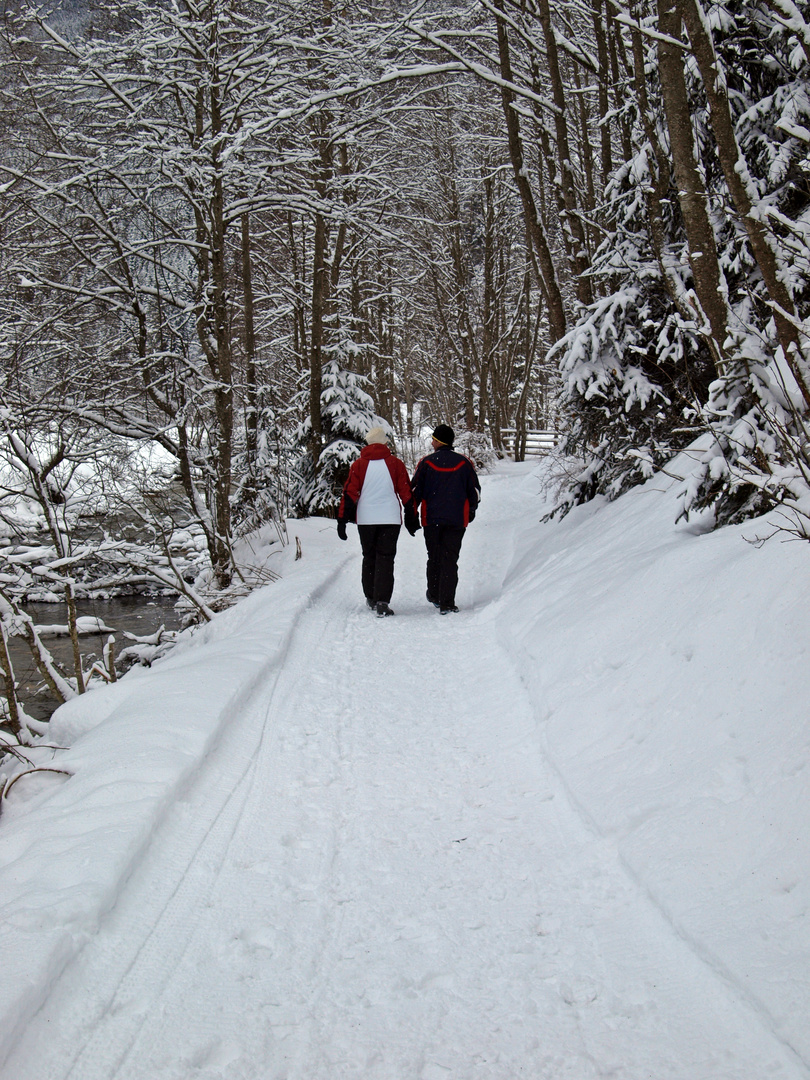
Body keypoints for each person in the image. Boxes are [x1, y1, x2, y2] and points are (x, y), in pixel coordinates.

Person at [337, 427, 419, 617]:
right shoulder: (395, 464)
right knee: (386, 558)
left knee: (369, 557)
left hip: (366, 519)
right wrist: (411, 516)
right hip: (389, 518)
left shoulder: (358, 465)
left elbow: (349, 493)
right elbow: (406, 492)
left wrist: (342, 519)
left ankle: (371, 597)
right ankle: (382, 601)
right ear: (384, 443)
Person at [410, 423, 480, 614]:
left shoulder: (426, 462)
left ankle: (434, 594)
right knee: (450, 559)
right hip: (457, 520)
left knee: (434, 557)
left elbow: (415, 491)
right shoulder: (464, 463)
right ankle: (447, 602)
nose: (432, 441)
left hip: (431, 519)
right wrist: (472, 509)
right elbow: (474, 491)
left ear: (439, 441)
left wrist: (412, 513)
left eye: (433, 438)